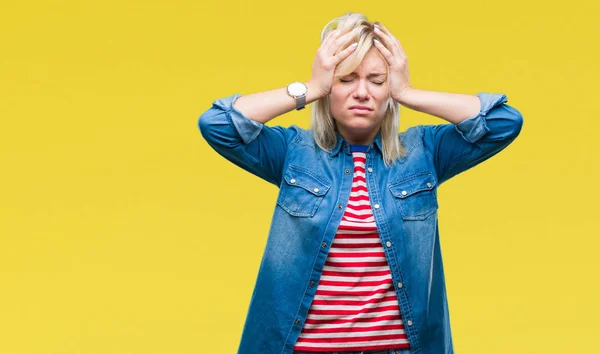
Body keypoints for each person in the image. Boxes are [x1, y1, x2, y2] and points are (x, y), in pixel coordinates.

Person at [198, 12, 523, 354]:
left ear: (388, 90)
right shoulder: (293, 152)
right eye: (347, 79)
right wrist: (310, 88)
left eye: (376, 80)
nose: (362, 92)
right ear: (329, 89)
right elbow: (218, 124)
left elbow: (503, 121)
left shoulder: (424, 152)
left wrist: (408, 92)